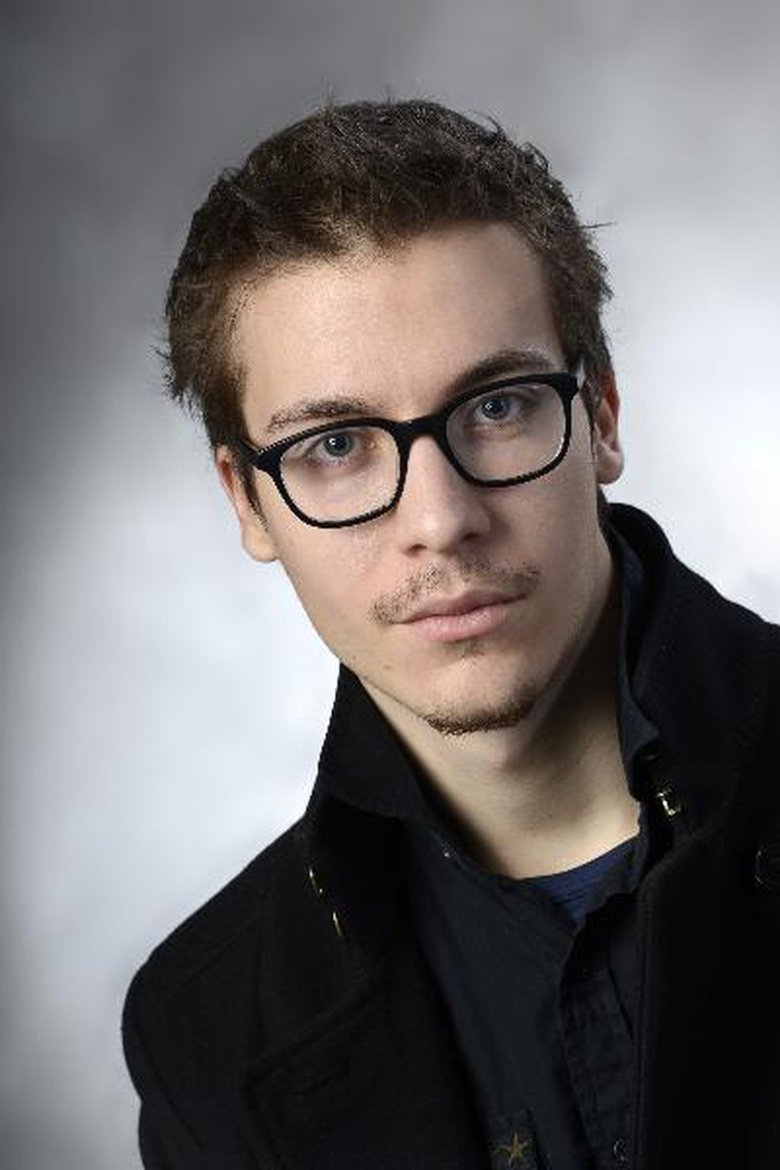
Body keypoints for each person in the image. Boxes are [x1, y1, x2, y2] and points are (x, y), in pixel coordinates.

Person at [122, 99, 780, 1170]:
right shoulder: (203, 1031)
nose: (439, 520)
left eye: (498, 407)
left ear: (602, 415)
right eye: (337, 445)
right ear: (248, 502)